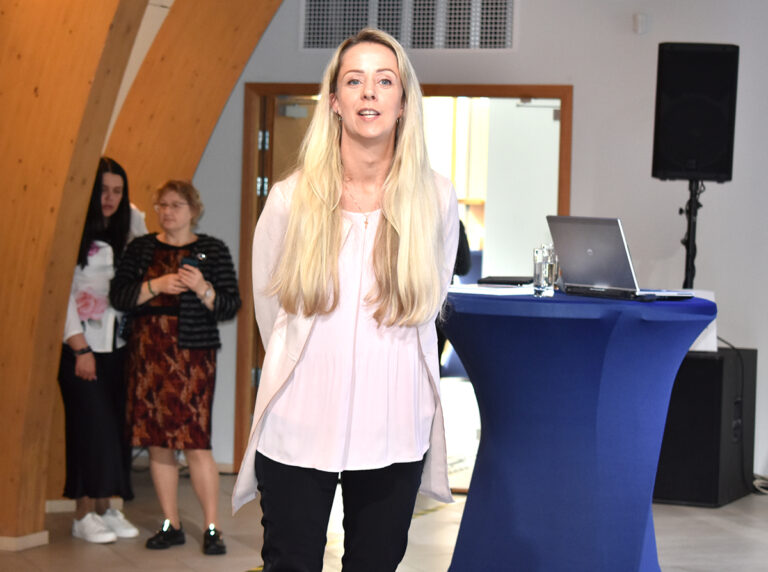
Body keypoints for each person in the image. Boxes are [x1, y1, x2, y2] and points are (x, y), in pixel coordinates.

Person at [232, 28, 460, 571]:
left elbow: (430, 301)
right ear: (334, 101)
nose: (369, 92)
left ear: (403, 102)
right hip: (299, 424)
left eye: (385, 80)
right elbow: (271, 314)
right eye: (354, 81)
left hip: (394, 428)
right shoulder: (290, 199)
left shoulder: (435, 198)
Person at [110, 180, 241, 555]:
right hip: (148, 355)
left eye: (176, 205)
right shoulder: (141, 248)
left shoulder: (212, 250)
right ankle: (172, 524)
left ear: (193, 210)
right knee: (156, 442)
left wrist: (202, 288)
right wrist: (157, 285)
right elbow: (119, 296)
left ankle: (213, 527)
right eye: (162, 205)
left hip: (193, 358)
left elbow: (229, 305)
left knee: (195, 442)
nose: (167, 212)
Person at [59, 156, 146, 543]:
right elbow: (61, 294)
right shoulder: (74, 231)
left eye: (117, 191)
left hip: (119, 346)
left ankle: (106, 507)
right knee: (88, 430)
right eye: (102, 190)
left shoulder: (127, 227)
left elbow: (141, 235)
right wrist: (79, 348)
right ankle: (82, 515)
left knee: (114, 431)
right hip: (82, 348)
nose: (110, 198)